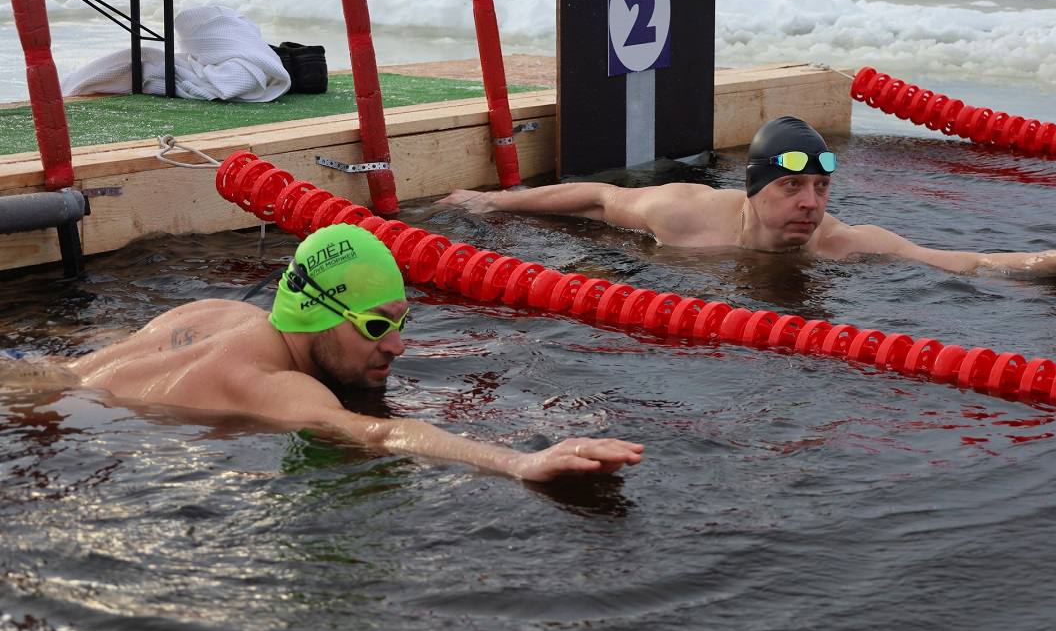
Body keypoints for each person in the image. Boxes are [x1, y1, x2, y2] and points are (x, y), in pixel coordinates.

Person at [44, 223, 644, 483]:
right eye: (376, 325)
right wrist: (519, 463)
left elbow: (90, 354)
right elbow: (384, 436)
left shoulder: (211, 316)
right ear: (317, 317)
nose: (398, 344)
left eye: (401, 320)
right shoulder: (274, 384)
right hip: (72, 430)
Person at [439, 116, 1056, 276]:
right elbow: (595, 196)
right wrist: (493, 206)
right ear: (751, 193)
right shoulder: (681, 213)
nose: (810, 203)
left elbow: (969, 263)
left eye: (819, 187)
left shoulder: (848, 242)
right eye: (790, 187)